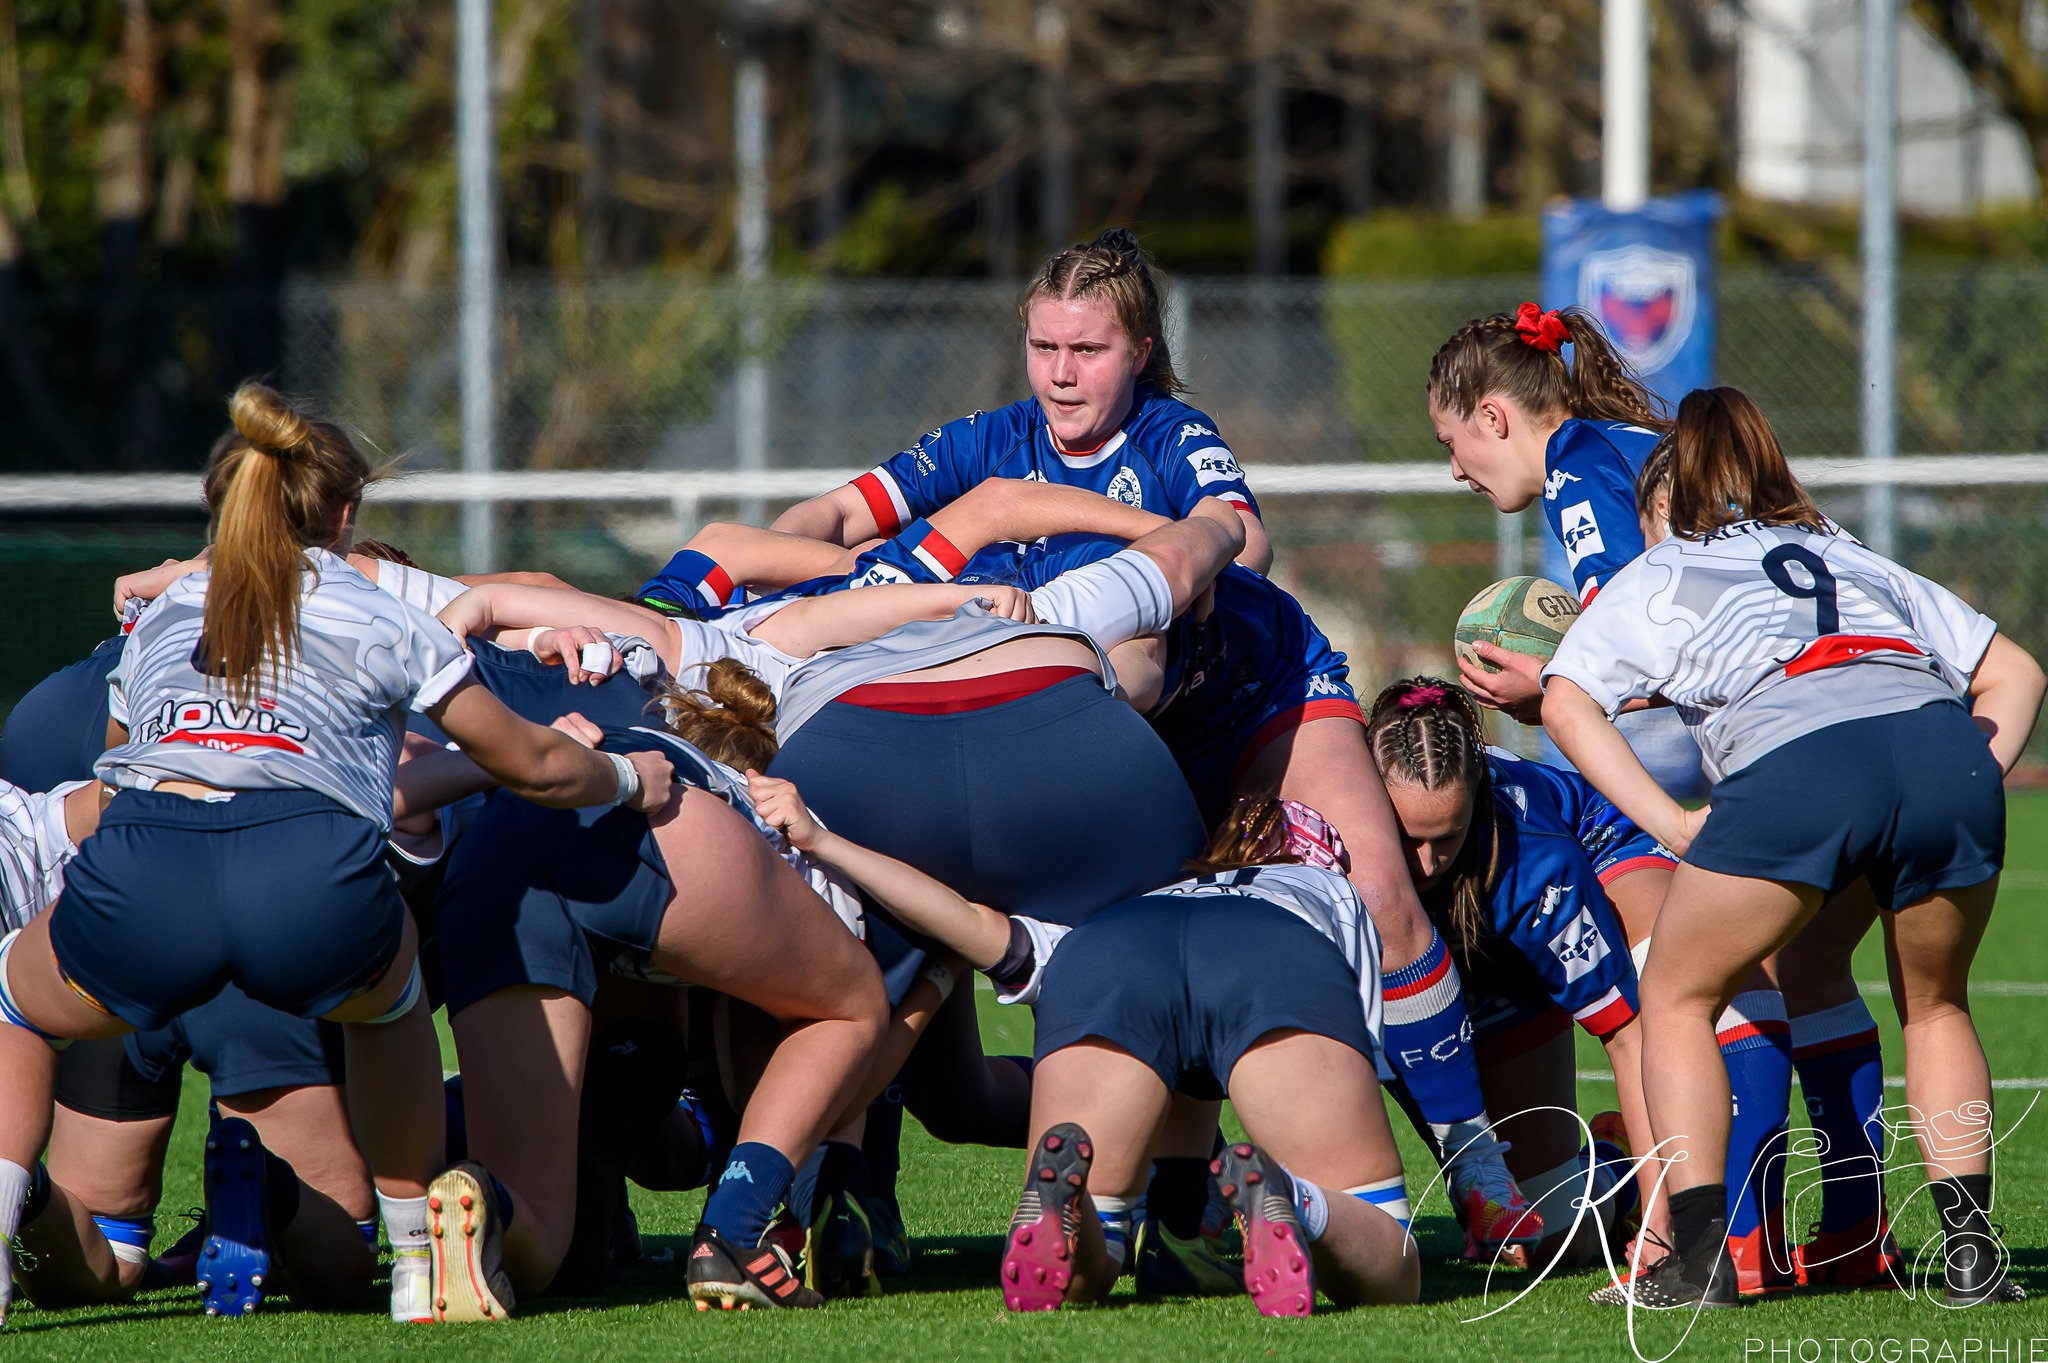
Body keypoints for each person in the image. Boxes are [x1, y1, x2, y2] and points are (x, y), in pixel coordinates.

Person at [0, 382, 674, 1328]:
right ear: (346, 513)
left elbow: (122, 775)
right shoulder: (379, 609)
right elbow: (528, 760)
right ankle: (410, 1260)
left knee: (12, 995)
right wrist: (633, 780)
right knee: (388, 1007)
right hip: (307, 880)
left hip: (147, 880)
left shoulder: (161, 612)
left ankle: (3, 1215)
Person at [1542, 386, 2044, 1308]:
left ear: (1662, 505)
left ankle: (1695, 1264)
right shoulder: (1845, 550)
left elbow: (1566, 703)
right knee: (1933, 1003)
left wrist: (1667, 821)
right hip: (1942, 752)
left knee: (1679, 992)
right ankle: (1973, 1257)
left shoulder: (1658, 570)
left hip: (1801, 768)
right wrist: (1966, 773)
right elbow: (2017, 670)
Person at [745, 773, 1418, 1316]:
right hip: (1273, 947)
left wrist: (823, 841)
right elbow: (1361, 1043)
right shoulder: (1330, 891)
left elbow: (973, 923)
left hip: (1112, 947)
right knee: (1392, 1261)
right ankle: (1291, 1193)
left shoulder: (1139, 894)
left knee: (1090, 1267)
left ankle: (1077, 1208)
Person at [637, 228, 1269, 623]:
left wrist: (1181, 553)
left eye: (1087, 351)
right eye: (1043, 347)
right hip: (965, 633)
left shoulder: (1170, 433)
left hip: (1106, 670)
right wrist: (821, 580)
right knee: (782, 550)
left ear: (1138, 353)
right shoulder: (992, 438)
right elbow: (834, 514)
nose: (1060, 374)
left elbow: (1246, 543)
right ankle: (668, 626)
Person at [1363, 679, 1663, 1268]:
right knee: (1485, 1211)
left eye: (1444, 839)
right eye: (1407, 839)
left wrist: (1661, 1221)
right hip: (1419, 972)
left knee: (1548, 1245)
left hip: (1517, 958)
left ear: (1477, 800)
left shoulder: (1534, 862)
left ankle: (1618, 1163)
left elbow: (1629, 1035)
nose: (1424, 864)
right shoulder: (1328, 828)